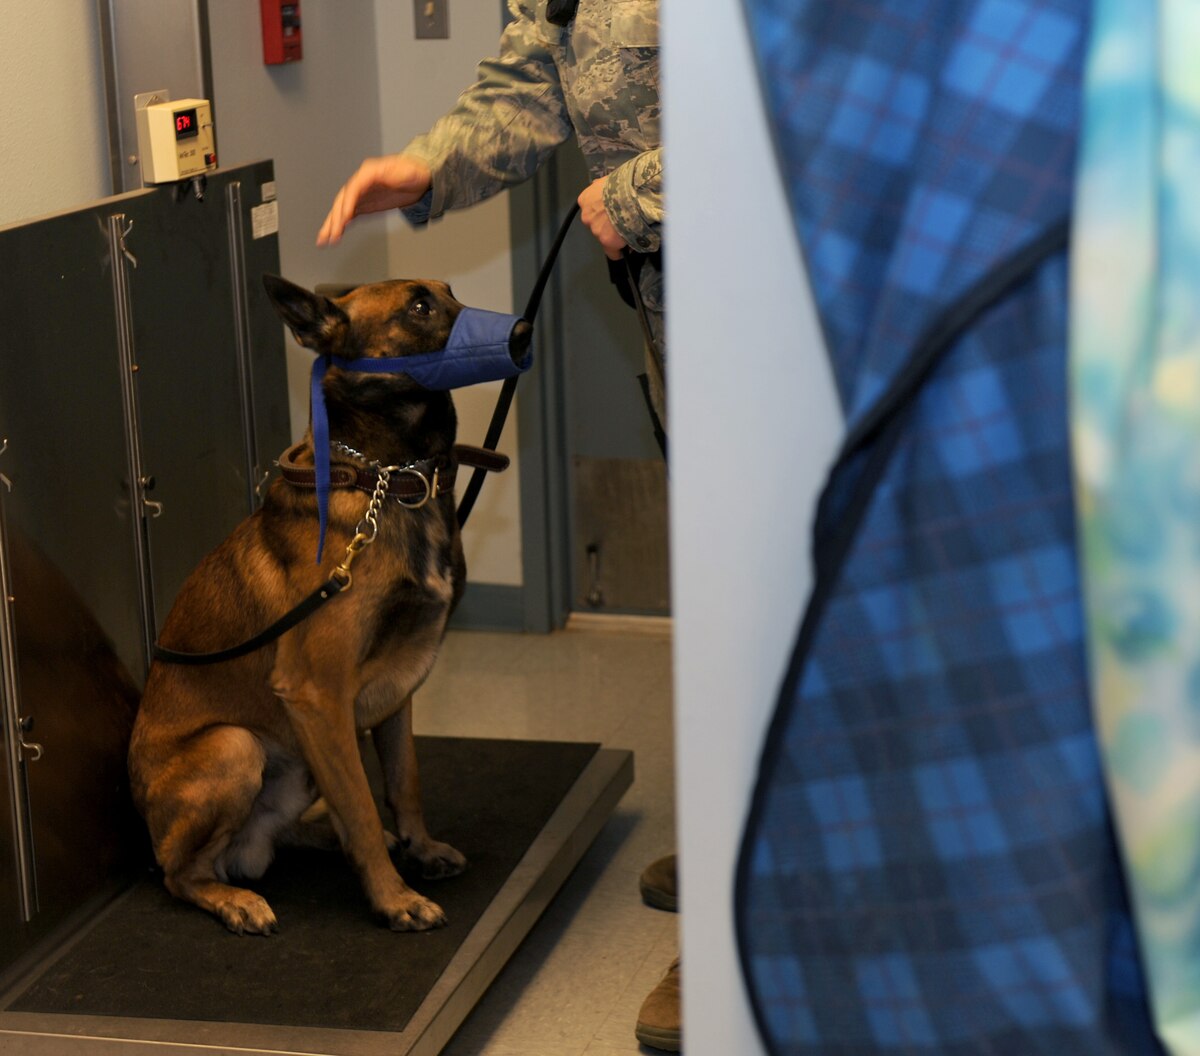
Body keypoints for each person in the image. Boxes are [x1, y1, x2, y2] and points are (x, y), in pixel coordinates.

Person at [317, 1, 678, 1050]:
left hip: (802, 301)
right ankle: (755, 837)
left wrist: (640, 192)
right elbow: (533, 80)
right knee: (738, 610)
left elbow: (816, 96)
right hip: (675, 313)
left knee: (800, 612)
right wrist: (427, 168)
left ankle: (775, 922)